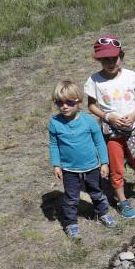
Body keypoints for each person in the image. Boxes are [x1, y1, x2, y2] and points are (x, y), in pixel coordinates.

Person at [84, 35, 135, 219]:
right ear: (98, 59)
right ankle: (122, 200)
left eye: (114, 58)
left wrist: (134, 114)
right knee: (117, 168)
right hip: (113, 135)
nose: (110, 62)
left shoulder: (131, 76)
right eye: (105, 59)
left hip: (133, 132)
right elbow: (91, 105)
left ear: (122, 56)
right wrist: (108, 116)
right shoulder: (94, 80)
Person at [48, 80, 115, 239]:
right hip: (69, 169)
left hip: (92, 166)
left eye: (69, 102)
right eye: (59, 102)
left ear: (78, 101)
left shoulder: (88, 120)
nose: (64, 106)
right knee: (71, 198)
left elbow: (99, 142)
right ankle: (71, 223)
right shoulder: (55, 123)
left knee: (97, 192)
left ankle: (103, 213)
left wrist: (104, 162)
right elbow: (53, 145)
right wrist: (56, 165)